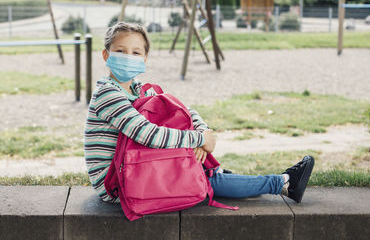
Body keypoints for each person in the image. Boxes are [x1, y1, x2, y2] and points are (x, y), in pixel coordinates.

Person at [84, 22, 314, 205]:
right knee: (205, 178)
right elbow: (148, 134)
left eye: (136, 53)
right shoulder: (108, 94)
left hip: (134, 167)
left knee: (203, 169)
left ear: (144, 59)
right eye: (120, 51)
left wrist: (203, 130)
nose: (128, 57)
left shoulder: (141, 90)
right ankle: (283, 182)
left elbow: (183, 111)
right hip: (116, 184)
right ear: (106, 55)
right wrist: (200, 139)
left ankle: (259, 180)